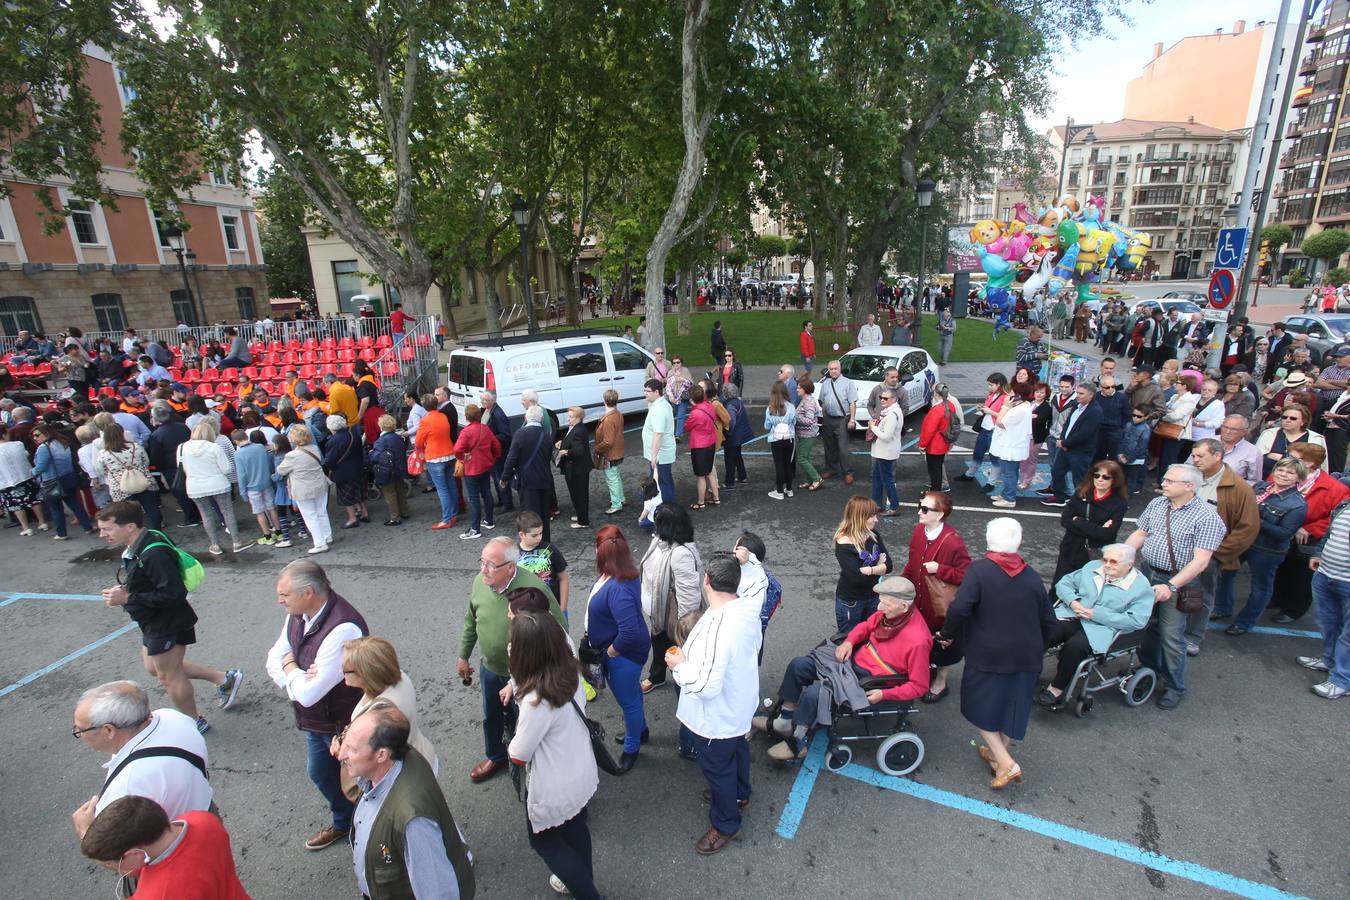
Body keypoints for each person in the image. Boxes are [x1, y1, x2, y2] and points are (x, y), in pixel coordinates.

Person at [95, 502, 243, 735]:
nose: (102, 534)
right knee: (154, 668)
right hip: (153, 621)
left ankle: (194, 722)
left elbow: (173, 593)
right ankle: (224, 678)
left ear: (131, 526)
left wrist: (127, 597)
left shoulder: (153, 553)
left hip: (166, 622)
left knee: (168, 675)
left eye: (107, 529)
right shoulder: (145, 538)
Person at [754, 575, 931, 761]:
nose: (879, 608)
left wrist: (883, 695)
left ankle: (798, 741)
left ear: (904, 607)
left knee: (816, 693)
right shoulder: (889, 613)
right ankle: (784, 721)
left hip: (870, 682)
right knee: (799, 665)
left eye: (886, 604)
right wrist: (849, 641)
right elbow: (865, 626)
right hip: (852, 663)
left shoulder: (918, 640)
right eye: (880, 602)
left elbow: (919, 686)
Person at [938, 517, 1055, 789]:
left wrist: (947, 634)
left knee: (978, 706)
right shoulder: (1032, 576)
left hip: (988, 655)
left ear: (989, 542)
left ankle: (1006, 762)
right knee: (1009, 708)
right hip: (1027, 655)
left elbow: (958, 609)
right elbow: (1049, 621)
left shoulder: (980, 571)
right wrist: (1038, 647)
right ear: (1019, 542)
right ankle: (995, 756)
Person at [265, 559, 370, 850]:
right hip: (317, 720)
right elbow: (274, 658)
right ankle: (345, 822)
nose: (279, 600)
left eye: (284, 594)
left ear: (308, 592)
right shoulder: (297, 615)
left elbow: (309, 694)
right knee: (321, 774)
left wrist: (290, 667)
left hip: (344, 723)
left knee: (361, 782)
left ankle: (371, 833)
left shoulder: (343, 627)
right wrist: (296, 673)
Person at [666, 552, 761, 855]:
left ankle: (725, 823)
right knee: (738, 750)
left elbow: (706, 686)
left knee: (718, 769)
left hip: (716, 717)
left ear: (706, 581)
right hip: (740, 702)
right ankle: (740, 794)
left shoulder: (721, 626)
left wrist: (679, 665)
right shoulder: (745, 606)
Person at [507, 610, 601, 897]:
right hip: (580, 767)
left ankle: (586, 891)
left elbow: (519, 754)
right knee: (575, 827)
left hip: (554, 784)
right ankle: (584, 878)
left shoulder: (536, 699)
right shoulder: (570, 671)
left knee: (545, 842)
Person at [456, 536, 565, 782]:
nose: (483, 570)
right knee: (492, 714)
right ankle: (496, 756)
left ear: (511, 568)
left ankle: (532, 766)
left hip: (527, 675)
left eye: (490, 565)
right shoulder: (479, 582)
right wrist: (463, 656)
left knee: (528, 721)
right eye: (482, 562)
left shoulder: (533, 589)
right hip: (492, 668)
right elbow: (471, 620)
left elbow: (558, 628)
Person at [339, 705, 475, 899]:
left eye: (351, 749)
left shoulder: (413, 820)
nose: (343, 754)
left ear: (381, 755)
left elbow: (436, 891)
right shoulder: (398, 756)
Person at [1126, 464, 1228, 710]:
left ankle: (1174, 686)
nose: (1164, 483)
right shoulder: (1158, 504)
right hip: (1148, 573)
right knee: (1144, 625)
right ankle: (1149, 666)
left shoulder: (1207, 517)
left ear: (1189, 486)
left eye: (1170, 480)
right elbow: (1140, 533)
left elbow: (1201, 561)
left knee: (1171, 635)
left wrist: (1170, 586)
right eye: (1165, 479)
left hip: (1177, 581)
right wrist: (1122, 558)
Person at [70, 680, 213, 840]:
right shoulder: (172, 716)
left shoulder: (127, 786)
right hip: (208, 816)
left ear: (109, 730)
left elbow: (121, 857)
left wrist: (86, 832)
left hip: (181, 847)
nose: (79, 734)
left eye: (81, 729)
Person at [1039, 545, 1156, 707]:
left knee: (1075, 647)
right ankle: (1028, 671)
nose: (1107, 565)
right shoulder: (1092, 567)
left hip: (1102, 628)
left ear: (1129, 564)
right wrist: (1073, 601)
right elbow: (1064, 583)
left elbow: (1137, 620)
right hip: (1074, 614)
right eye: (1105, 560)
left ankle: (1057, 688)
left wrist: (1097, 614)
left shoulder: (1140, 587)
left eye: (1114, 561)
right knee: (1043, 631)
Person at [77, 796, 249, 900]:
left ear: (135, 854)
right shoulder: (203, 820)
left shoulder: (158, 894)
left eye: (112, 864)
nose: (115, 869)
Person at [1184, 438, 1260, 656]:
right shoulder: (1188, 478)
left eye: (1200, 456)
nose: (1195, 460)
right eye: (1194, 455)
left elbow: (1248, 528)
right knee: (1175, 593)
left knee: (1199, 596)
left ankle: (1192, 636)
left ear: (1217, 456)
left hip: (1207, 557)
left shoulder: (1239, 488)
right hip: (1177, 551)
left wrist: (1215, 555)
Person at [586, 525, 650, 771]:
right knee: (631, 696)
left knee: (629, 702)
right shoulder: (623, 574)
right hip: (625, 652)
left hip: (623, 656)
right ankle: (640, 730)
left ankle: (632, 746)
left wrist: (611, 652)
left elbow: (630, 632)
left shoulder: (618, 588)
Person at [898, 491, 971, 704]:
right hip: (920, 602)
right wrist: (903, 583)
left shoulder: (953, 542)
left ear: (939, 515)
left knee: (941, 645)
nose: (920, 512)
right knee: (918, 639)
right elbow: (912, 561)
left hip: (939, 607)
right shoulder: (920, 531)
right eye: (920, 506)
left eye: (925, 509)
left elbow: (967, 574)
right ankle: (920, 673)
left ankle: (941, 682)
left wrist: (940, 569)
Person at [1225, 458, 1309, 636]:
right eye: (1281, 470)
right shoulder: (1261, 487)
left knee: (1260, 587)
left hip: (1267, 550)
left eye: (1290, 472)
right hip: (1243, 541)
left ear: (1298, 478)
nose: (1283, 475)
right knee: (1225, 573)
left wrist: (1253, 517)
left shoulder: (1297, 505)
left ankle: (1244, 623)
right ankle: (1222, 607)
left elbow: (1283, 533)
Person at [1272, 443, 1350, 625]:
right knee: (1278, 569)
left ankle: (1293, 608)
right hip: (1279, 534)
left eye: (1292, 457)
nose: (1286, 459)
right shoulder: (1282, 474)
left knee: (1298, 576)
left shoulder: (1334, 488)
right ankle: (1275, 598)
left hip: (1306, 540)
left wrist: (1309, 528)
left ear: (1309, 463)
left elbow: (1336, 518)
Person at [639, 503, 704, 697]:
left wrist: (684, 633)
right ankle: (657, 675)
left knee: (672, 650)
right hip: (659, 612)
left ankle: (684, 690)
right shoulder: (662, 540)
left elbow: (689, 599)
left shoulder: (681, 554)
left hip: (672, 618)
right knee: (659, 643)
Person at [181, 419, 253, 556]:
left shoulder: (184, 447)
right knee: (227, 512)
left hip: (195, 486)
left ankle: (215, 544)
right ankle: (237, 542)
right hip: (218, 483)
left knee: (206, 515)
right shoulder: (214, 447)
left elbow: (184, 468)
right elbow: (226, 469)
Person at [1051, 461, 1129, 586]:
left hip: (1092, 555)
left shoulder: (1119, 503)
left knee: (1087, 590)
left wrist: (1078, 521)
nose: (1099, 480)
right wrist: (1096, 529)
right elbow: (1065, 520)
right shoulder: (1082, 492)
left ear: (1115, 480)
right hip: (1070, 549)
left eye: (1106, 477)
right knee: (1059, 586)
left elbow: (1108, 534)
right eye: (1096, 475)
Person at [833, 495, 893, 631]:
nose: (876, 520)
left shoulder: (873, 534)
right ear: (860, 517)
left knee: (871, 635)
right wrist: (878, 566)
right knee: (849, 640)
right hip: (852, 602)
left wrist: (870, 570)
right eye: (872, 516)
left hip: (874, 596)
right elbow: (856, 579)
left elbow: (889, 566)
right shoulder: (844, 543)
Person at [1041, 382, 1103, 506]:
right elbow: (1067, 424)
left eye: (1081, 394)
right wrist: (1063, 439)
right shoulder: (1077, 405)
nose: (1077, 396)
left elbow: (1084, 434)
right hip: (1066, 447)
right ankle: (1060, 496)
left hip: (1081, 450)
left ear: (1091, 395)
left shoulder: (1095, 411)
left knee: (1079, 478)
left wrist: (1064, 442)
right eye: (1077, 393)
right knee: (1057, 471)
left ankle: (1081, 502)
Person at [275, 424, 333, 554]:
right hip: (319, 484)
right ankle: (327, 535)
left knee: (310, 515)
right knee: (321, 512)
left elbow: (281, 470)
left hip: (303, 489)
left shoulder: (292, 455)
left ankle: (319, 543)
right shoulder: (314, 448)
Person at [30, 423, 94, 539]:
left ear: (46, 433)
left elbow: (41, 467)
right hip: (68, 477)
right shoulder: (62, 442)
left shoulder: (44, 448)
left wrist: (32, 472)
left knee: (56, 508)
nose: (35, 437)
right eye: (33, 436)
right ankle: (87, 527)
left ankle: (61, 533)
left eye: (37, 435)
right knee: (74, 503)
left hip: (51, 481)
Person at [500, 405, 554, 542]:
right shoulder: (546, 435)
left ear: (525, 418)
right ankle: (545, 541)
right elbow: (548, 457)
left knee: (530, 515)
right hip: (544, 479)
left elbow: (511, 458)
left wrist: (505, 477)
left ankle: (532, 541)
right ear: (541, 419)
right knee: (543, 514)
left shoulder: (520, 434)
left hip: (527, 481)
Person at [95, 421, 161, 529]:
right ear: (122, 433)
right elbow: (146, 462)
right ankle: (157, 531)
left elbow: (101, 471)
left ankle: (136, 533)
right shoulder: (136, 446)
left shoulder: (103, 454)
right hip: (143, 481)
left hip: (120, 487)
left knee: (126, 515)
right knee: (152, 509)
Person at [453, 403, 501, 539]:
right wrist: (494, 458)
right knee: (487, 492)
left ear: (467, 417)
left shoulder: (465, 432)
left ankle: (475, 529)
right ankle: (489, 520)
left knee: (474, 498)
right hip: (485, 465)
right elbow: (496, 445)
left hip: (472, 468)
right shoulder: (484, 428)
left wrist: (462, 457)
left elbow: (457, 449)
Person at [415, 394, 461, 531]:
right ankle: (453, 514)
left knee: (442, 490)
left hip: (435, 457)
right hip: (449, 454)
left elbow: (418, 442)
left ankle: (446, 519)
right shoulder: (442, 416)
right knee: (451, 486)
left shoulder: (425, 420)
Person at [516, 510, 571, 619]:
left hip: (553, 609)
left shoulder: (550, 549)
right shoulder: (513, 554)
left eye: (541, 533)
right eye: (534, 535)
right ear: (522, 534)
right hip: (527, 613)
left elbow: (563, 578)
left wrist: (563, 608)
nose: (539, 538)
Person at [960, 373, 1009, 484]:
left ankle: (991, 482)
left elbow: (1006, 416)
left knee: (995, 458)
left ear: (998, 384)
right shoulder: (992, 395)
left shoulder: (1006, 398)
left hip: (994, 430)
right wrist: (982, 408)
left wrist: (989, 411)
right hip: (985, 429)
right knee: (978, 453)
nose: (989, 387)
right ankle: (969, 474)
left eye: (991, 384)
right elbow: (989, 409)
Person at [324, 414, 369, 530]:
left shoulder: (333, 441)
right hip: (358, 467)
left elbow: (330, 460)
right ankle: (364, 513)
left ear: (331, 427)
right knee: (359, 492)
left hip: (343, 472)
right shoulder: (353, 434)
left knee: (346, 497)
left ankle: (352, 518)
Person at [1257, 402, 1325, 479]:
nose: (1287, 420)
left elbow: (1316, 466)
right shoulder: (1269, 434)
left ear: (1303, 422)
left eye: (1293, 418)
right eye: (1284, 417)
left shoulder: (1316, 439)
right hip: (1265, 479)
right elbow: (1258, 458)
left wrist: (1279, 457)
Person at [989, 390, 1031, 509]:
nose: (1007, 396)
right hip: (1011, 445)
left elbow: (1000, 422)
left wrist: (1005, 406)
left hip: (1011, 447)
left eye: (1011, 393)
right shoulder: (1023, 406)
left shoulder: (1020, 409)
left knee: (1009, 473)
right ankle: (1006, 494)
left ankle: (1009, 498)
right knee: (1011, 472)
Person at [817, 359, 857, 484]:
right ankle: (832, 469)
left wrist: (852, 419)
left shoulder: (848, 383)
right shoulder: (825, 383)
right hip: (828, 418)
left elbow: (852, 402)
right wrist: (824, 417)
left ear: (840, 369)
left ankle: (848, 472)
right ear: (828, 370)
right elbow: (822, 401)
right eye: (831, 369)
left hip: (842, 419)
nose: (833, 371)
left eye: (836, 368)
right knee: (829, 447)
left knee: (843, 448)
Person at [553, 405, 593, 528]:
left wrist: (566, 452)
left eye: (571, 417)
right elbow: (571, 441)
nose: (568, 419)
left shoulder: (578, 431)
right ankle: (580, 514)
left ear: (578, 418)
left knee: (579, 494)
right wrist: (563, 442)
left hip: (577, 469)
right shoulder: (576, 428)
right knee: (577, 493)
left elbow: (578, 451)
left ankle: (583, 521)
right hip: (577, 468)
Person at [685, 384, 723, 509]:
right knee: (710, 472)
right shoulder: (709, 406)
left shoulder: (695, 414)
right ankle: (716, 498)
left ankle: (700, 502)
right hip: (711, 443)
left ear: (691, 400)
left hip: (699, 446)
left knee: (700, 476)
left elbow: (687, 427)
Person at [869, 385, 904, 514]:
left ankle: (894, 506)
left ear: (894, 399)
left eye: (885, 398)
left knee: (887, 479)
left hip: (886, 452)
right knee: (877, 478)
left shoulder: (892, 415)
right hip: (883, 452)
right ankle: (876, 503)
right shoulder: (891, 412)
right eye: (881, 397)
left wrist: (873, 427)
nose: (882, 400)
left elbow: (886, 436)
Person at [370, 415, 410, 526]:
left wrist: (371, 454)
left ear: (381, 426)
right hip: (399, 467)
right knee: (400, 490)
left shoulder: (381, 441)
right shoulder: (398, 438)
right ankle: (404, 511)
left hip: (387, 470)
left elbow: (375, 457)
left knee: (390, 494)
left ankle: (395, 517)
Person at [642, 378, 677, 504]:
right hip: (661, 453)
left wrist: (653, 455)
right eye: (644, 390)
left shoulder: (659, 409)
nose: (645, 393)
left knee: (662, 482)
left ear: (657, 392)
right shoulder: (659, 404)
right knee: (665, 479)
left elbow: (658, 434)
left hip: (660, 454)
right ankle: (670, 507)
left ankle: (668, 509)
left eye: (648, 391)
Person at [593, 390, 626, 515]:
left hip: (609, 454)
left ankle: (616, 504)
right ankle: (620, 499)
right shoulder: (618, 414)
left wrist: (597, 448)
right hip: (618, 451)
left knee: (612, 478)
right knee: (615, 476)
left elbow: (608, 442)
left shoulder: (608, 419)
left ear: (604, 401)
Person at [764, 381, 797, 500]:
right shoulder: (791, 407)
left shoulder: (770, 408)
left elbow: (767, 426)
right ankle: (789, 489)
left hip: (776, 439)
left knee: (779, 465)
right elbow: (794, 422)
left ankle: (779, 491)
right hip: (789, 439)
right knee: (788, 464)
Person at [1217, 414, 1262, 486]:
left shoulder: (1253, 452)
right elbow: (1192, 468)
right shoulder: (1206, 442)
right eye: (1225, 427)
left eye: (1233, 429)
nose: (1228, 432)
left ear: (1244, 431)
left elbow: (1255, 482)